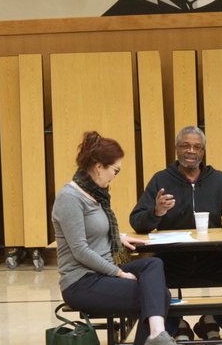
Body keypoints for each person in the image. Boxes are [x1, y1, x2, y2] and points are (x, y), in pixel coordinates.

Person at [130, 126, 222, 341]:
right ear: (176, 149)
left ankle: (212, 320)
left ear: (203, 152)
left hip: (211, 257)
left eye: (197, 147)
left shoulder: (218, 179)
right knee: (147, 280)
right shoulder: (161, 179)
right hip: (170, 260)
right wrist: (156, 212)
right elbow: (137, 221)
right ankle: (177, 324)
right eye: (185, 146)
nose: (191, 151)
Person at [51, 131, 176, 345]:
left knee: (153, 264)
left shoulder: (95, 194)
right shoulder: (69, 198)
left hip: (101, 272)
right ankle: (157, 335)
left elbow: (95, 228)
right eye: (115, 171)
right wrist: (118, 272)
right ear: (99, 166)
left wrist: (118, 237)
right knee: (159, 296)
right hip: (81, 282)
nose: (114, 177)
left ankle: (156, 335)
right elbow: (80, 250)